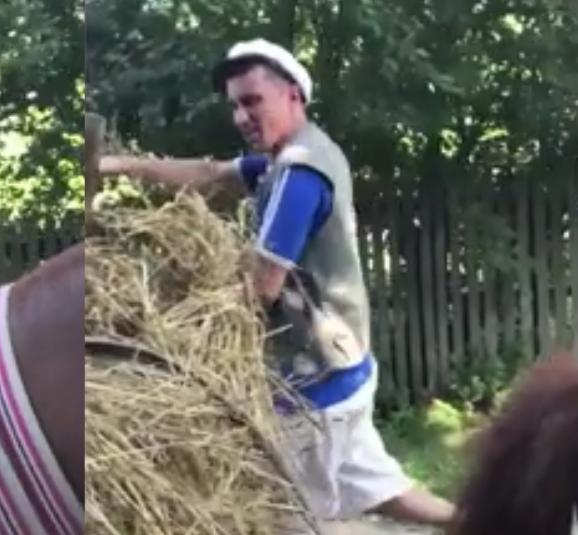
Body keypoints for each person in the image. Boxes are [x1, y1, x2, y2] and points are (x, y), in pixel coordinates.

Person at [97, 38, 454, 529]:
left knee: (280, 514)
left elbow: (260, 287)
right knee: (381, 488)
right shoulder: (295, 155)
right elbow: (211, 174)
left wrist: (168, 326)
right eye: (235, 106)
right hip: (345, 365)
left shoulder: (298, 175)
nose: (242, 117)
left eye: (252, 101)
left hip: (315, 389)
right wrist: (121, 166)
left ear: (293, 96)